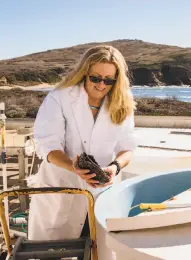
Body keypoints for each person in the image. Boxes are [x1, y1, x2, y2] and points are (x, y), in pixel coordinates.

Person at [27, 45, 137, 241]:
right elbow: (48, 145)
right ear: (84, 73)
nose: (101, 85)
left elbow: (127, 147)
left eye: (108, 80)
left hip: (102, 194)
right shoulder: (59, 98)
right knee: (55, 252)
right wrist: (73, 167)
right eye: (95, 78)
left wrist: (115, 167)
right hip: (61, 191)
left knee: (99, 249)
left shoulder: (122, 103)